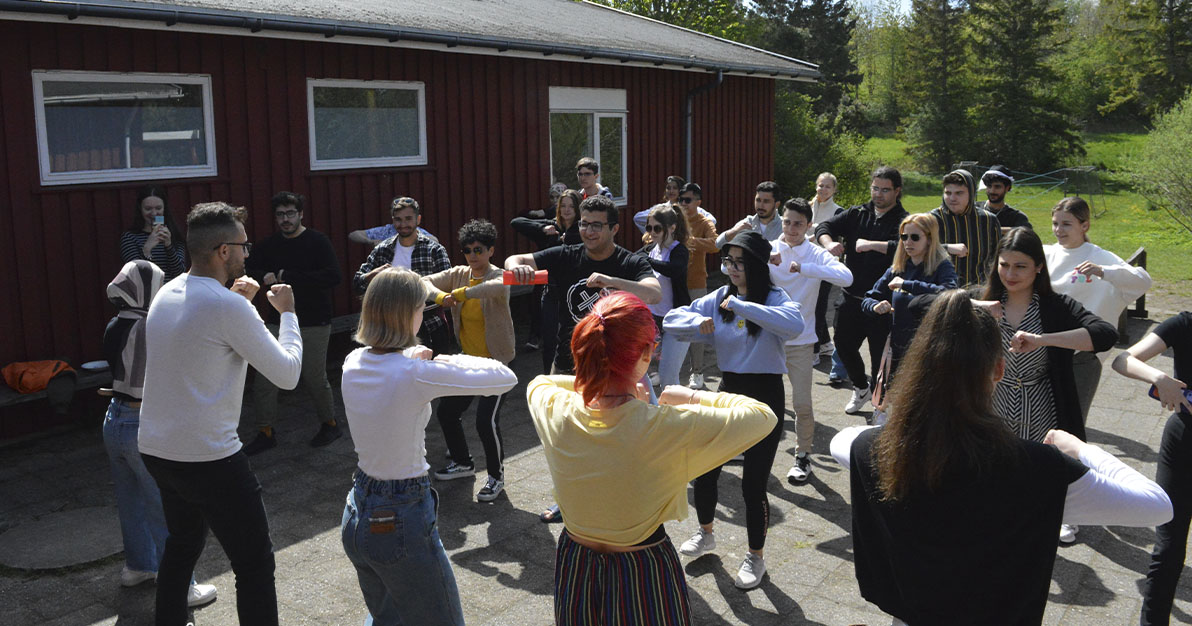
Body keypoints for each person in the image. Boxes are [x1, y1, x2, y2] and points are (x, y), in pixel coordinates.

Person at [830, 290, 1171, 626]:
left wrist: (898, 428)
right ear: (998, 370)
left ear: (919, 368)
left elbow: (840, 440)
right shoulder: (1040, 469)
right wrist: (1082, 449)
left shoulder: (874, 450)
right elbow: (1156, 506)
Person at [528, 292, 776, 624]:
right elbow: (763, 416)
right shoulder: (666, 428)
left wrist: (596, 382)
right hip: (642, 567)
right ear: (646, 353)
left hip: (577, 563)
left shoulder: (553, 407)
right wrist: (688, 395)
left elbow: (540, 382)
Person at [139, 202, 303, 625]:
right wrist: (288, 315)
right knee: (253, 565)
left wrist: (238, 305)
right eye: (243, 246)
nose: (248, 254)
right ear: (223, 251)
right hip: (209, 459)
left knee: (182, 544)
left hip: (157, 449)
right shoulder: (230, 308)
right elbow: (287, 374)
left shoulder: (169, 292)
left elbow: (203, 337)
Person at [340, 267, 516, 626]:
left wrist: (415, 361)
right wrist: (439, 360)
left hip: (358, 507)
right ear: (407, 314)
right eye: (421, 307)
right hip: (401, 513)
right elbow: (504, 377)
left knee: (386, 618)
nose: (425, 313)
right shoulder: (416, 372)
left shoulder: (352, 362)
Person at [507, 195, 661, 524]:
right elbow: (516, 258)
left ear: (615, 228)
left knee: (617, 437)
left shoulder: (629, 262)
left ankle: (619, 497)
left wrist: (612, 283)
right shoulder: (566, 256)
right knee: (565, 438)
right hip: (568, 364)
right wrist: (516, 266)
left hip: (615, 368)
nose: (588, 231)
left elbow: (654, 293)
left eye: (596, 225)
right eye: (583, 223)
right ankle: (569, 500)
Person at [664, 231, 805, 589]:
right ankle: (706, 532)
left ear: (757, 265)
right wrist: (696, 324)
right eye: (728, 262)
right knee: (705, 469)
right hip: (727, 390)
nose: (731, 269)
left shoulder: (774, 297)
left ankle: (755, 557)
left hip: (765, 396)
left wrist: (741, 305)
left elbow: (794, 325)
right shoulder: (719, 297)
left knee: (753, 484)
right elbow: (672, 319)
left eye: (739, 262)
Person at [977, 226, 1118, 544]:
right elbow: (929, 306)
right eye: (1004, 265)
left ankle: (1051, 519)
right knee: (993, 469)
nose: (1010, 274)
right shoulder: (985, 301)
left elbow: (1105, 334)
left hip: (1039, 401)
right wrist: (971, 306)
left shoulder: (1055, 307)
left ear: (1039, 266)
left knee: (1036, 470)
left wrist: (1044, 340)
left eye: (1020, 266)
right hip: (992, 402)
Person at [101, 260, 217, 608]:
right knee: (166, 506)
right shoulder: (149, 327)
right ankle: (183, 587)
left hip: (114, 419)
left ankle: (139, 566)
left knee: (130, 499)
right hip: (141, 420)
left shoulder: (115, 323)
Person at [421, 219, 515, 501]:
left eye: (478, 250)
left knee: (486, 422)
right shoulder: (460, 272)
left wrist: (460, 294)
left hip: (498, 364)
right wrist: (439, 296)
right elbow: (422, 281)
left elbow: (493, 288)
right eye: (467, 250)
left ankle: (496, 477)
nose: (473, 256)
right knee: (447, 412)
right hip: (470, 362)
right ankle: (463, 463)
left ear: (490, 251)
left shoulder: (501, 275)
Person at [243, 191, 343, 455]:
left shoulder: (317, 241)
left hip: (314, 321)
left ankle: (330, 424)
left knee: (313, 376)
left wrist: (291, 276)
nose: (285, 219)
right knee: (266, 377)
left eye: (290, 213)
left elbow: (333, 276)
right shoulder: (268, 245)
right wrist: (261, 274)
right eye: (280, 214)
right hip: (278, 321)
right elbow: (246, 268)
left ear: (300, 214)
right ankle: (265, 432)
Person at [1112, 312, 1192, 625]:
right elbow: (1123, 359)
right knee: (1169, 544)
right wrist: (1158, 378)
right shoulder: (1185, 324)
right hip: (1185, 440)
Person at [767, 198, 852, 483]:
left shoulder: (814, 253)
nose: (792, 228)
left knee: (802, 404)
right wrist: (763, 259)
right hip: (767, 339)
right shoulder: (769, 248)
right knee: (761, 402)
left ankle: (803, 457)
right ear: (781, 220)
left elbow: (846, 277)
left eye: (798, 224)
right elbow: (730, 264)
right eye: (788, 222)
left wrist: (803, 267)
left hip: (800, 341)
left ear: (809, 226)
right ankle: (752, 450)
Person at [1045, 196, 1152, 421]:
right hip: (1045, 347)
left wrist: (1104, 272)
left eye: (1066, 224)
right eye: (1055, 223)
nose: (1058, 230)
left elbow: (1142, 281)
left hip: (1083, 355)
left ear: (1085, 226)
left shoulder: (1100, 257)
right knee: (1041, 417)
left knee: (1072, 421)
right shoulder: (1046, 254)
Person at [815, 166, 909, 415]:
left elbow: (906, 247)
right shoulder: (857, 213)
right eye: (875, 188)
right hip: (851, 298)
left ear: (897, 191)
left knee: (881, 360)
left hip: (883, 304)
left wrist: (871, 245)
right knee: (843, 345)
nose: (878, 194)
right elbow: (823, 228)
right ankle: (861, 387)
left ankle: (881, 406)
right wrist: (829, 243)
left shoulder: (904, 221)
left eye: (885, 190)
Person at [353, 197, 454, 355]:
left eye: (408, 219)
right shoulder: (383, 249)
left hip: (429, 323)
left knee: (433, 373)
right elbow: (357, 284)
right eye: (398, 220)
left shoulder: (434, 250)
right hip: (389, 327)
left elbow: (450, 284)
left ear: (418, 219)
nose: (403, 224)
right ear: (393, 221)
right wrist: (373, 275)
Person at [861, 213, 957, 377]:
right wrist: (875, 306)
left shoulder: (942, 266)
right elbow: (868, 298)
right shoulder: (897, 268)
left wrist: (907, 284)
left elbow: (950, 293)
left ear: (929, 238)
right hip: (898, 349)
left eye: (914, 237)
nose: (908, 242)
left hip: (931, 349)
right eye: (904, 237)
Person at [511, 189, 582, 369]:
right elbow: (516, 222)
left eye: (571, 206)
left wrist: (570, 237)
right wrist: (541, 228)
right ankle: (549, 378)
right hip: (551, 291)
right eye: (563, 206)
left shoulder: (583, 229)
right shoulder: (553, 226)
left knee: (576, 339)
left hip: (575, 293)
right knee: (550, 340)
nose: (567, 210)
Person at [658, 182, 719, 390]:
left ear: (698, 202)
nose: (682, 203)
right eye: (680, 199)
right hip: (671, 284)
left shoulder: (703, 221)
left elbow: (714, 243)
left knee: (697, 328)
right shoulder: (671, 218)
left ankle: (698, 371)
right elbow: (649, 236)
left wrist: (689, 241)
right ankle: (662, 367)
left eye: (687, 200)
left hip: (695, 283)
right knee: (665, 326)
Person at [639, 204, 691, 386]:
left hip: (676, 320)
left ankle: (676, 412)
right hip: (653, 320)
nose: (652, 232)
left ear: (672, 228)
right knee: (641, 374)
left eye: (657, 228)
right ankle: (654, 410)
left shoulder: (679, 250)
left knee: (668, 376)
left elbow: (674, 270)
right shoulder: (651, 249)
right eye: (649, 228)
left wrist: (649, 262)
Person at [930, 169, 1001, 287]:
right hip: (940, 292)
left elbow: (997, 258)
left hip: (979, 290)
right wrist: (946, 248)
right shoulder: (931, 220)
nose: (952, 198)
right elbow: (915, 251)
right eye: (948, 193)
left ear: (971, 194)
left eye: (959, 193)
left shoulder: (988, 220)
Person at [119, 185, 187, 282]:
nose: (154, 213)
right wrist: (146, 250)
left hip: (173, 293)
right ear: (140, 209)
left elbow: (179, 273)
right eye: (148, 209)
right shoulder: (130, 238)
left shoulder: (174, 235)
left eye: (158, 208)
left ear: (164, 209)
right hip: (147, 295)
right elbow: (136, 275)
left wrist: (169, 246)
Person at [811, 172, 844, 359]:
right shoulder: (808, 207)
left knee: (818, 305)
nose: (823, 189)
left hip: (825, 265)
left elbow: (835, 239)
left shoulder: (838, 212)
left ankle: (813, 350)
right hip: (806, 262)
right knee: (811, 303)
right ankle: (824, 343)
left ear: (834, 190)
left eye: (827, 186)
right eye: (820, 185)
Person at [633, 175, 717, 234]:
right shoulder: (661, 208)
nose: (671, 191)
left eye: (675, 188)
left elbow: (712, 220)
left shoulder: (688, 207)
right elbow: (637, 218)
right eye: (668, 188)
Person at [715, 181, 783, 248]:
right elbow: (718, 244)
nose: (761, 206)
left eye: (766, 201)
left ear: (777, 204)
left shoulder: (785, 226)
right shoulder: (748, 222)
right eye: (758, 200)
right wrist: (735, 232)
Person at [977, 165, 1032, 233]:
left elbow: (1027, 232)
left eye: (997, 187)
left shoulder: (1015, 217)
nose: (992, 191)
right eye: (989, 186)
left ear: (1007, 188)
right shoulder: (974, 209)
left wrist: (995, 230)